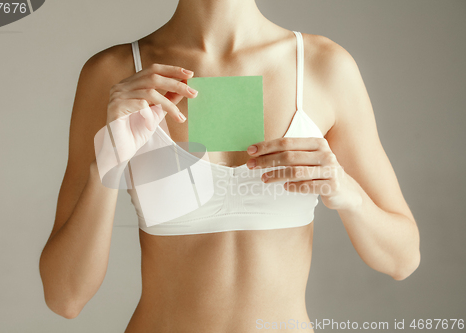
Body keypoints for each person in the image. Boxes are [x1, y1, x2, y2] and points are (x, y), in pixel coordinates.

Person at [39, 0, 420, 331]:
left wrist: (346, 192)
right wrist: (107, 166)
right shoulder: (116, 75)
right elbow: (65, 298)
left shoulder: (323, 67)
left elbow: (402, 259)